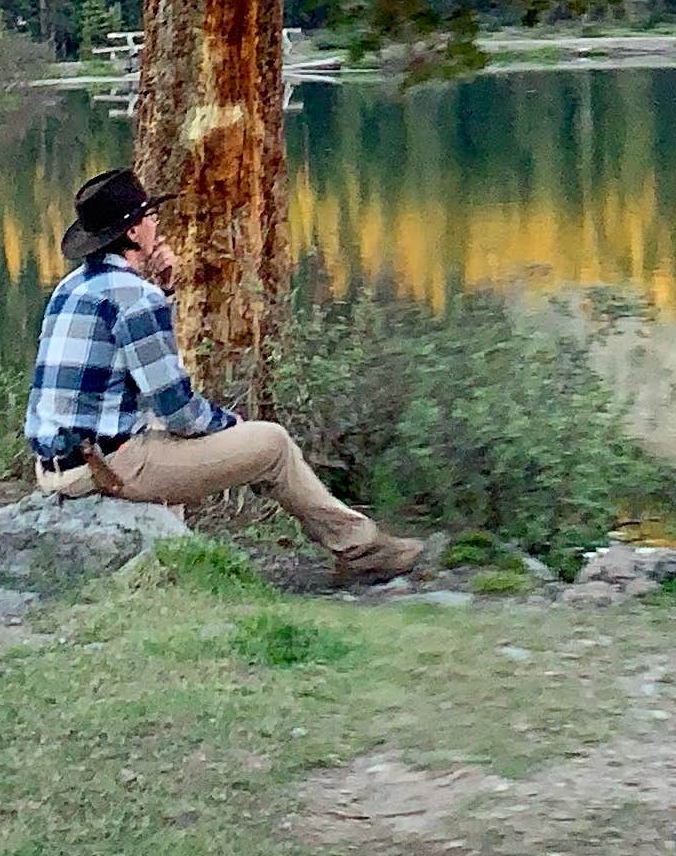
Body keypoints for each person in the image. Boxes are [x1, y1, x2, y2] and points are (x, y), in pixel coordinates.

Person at [26, 168, 426, 584]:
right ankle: (360, 550)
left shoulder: (71, 288)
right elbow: (178, 410)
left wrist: (164, 290)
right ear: (132, 232)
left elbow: (130, 373)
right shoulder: (135, 297)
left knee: (169, 436)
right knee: (271, 444)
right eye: (149, 217)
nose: (156, 225)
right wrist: (230, 425)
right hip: (106, 466)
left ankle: (171, 565)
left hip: (60, 465)